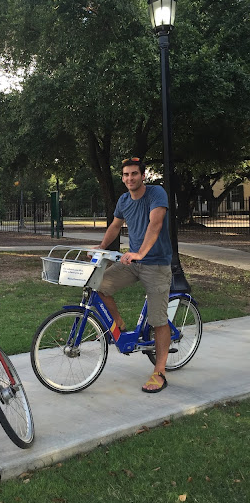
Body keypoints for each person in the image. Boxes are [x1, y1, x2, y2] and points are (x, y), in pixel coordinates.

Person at [97, 157, 173, 393]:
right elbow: (115, 226)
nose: (130, 178)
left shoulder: (156, 194)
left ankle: (159, 371)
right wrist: (101, 248)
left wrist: (141, 252)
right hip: (133, 261)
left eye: (134, 174)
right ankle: (119, 325)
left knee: (158, 320)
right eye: (126, 175)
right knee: (100, 285)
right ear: (122, 178)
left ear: (143, 176)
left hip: (156, 263)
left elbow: (155, 224)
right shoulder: (123, 199)